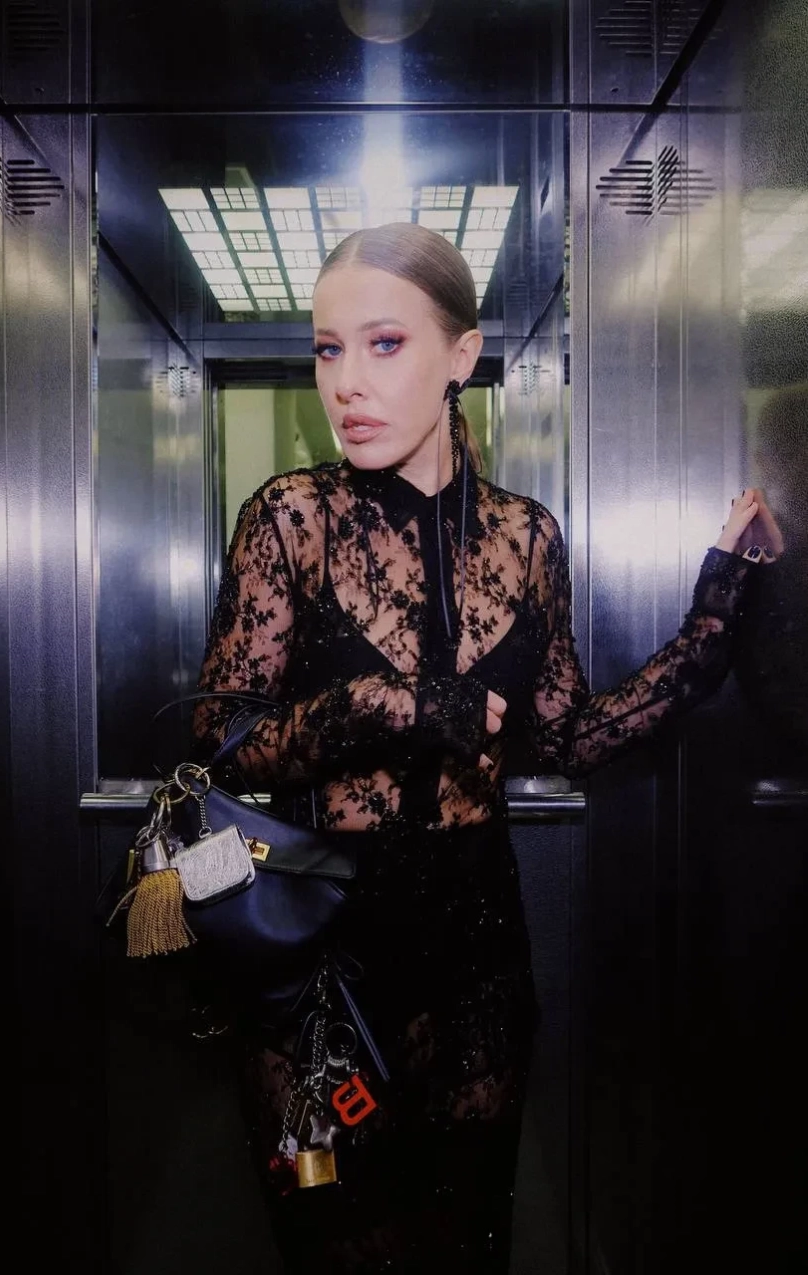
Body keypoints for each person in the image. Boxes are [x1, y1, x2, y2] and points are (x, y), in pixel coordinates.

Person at [195, 222, 779, 1273]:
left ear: (461, 355)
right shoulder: (291, 518)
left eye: (384, 343)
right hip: (321, 967)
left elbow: (571, 734)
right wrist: (389, 704)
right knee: (339, 1253)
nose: (346, 382)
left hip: (478, 959)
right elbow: (225, 743)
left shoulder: (529, 537)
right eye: (328, 349)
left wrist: (716, 610)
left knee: (468, 1247)